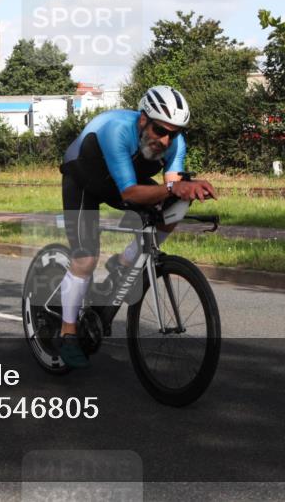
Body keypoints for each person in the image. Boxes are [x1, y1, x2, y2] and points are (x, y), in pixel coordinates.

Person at [56, 85, 216, 368]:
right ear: (143, 119)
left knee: (173, 209)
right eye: (159, 130)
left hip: (121, 181)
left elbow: (172, 186)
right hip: (84, 178)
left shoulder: (174, 143)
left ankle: (124, 261)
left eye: (173, 133)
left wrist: (184, 192)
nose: (166, 140)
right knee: (85, 258)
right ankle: (68, 332)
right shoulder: (117, 130)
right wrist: (175, 188)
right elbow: (130, 193)